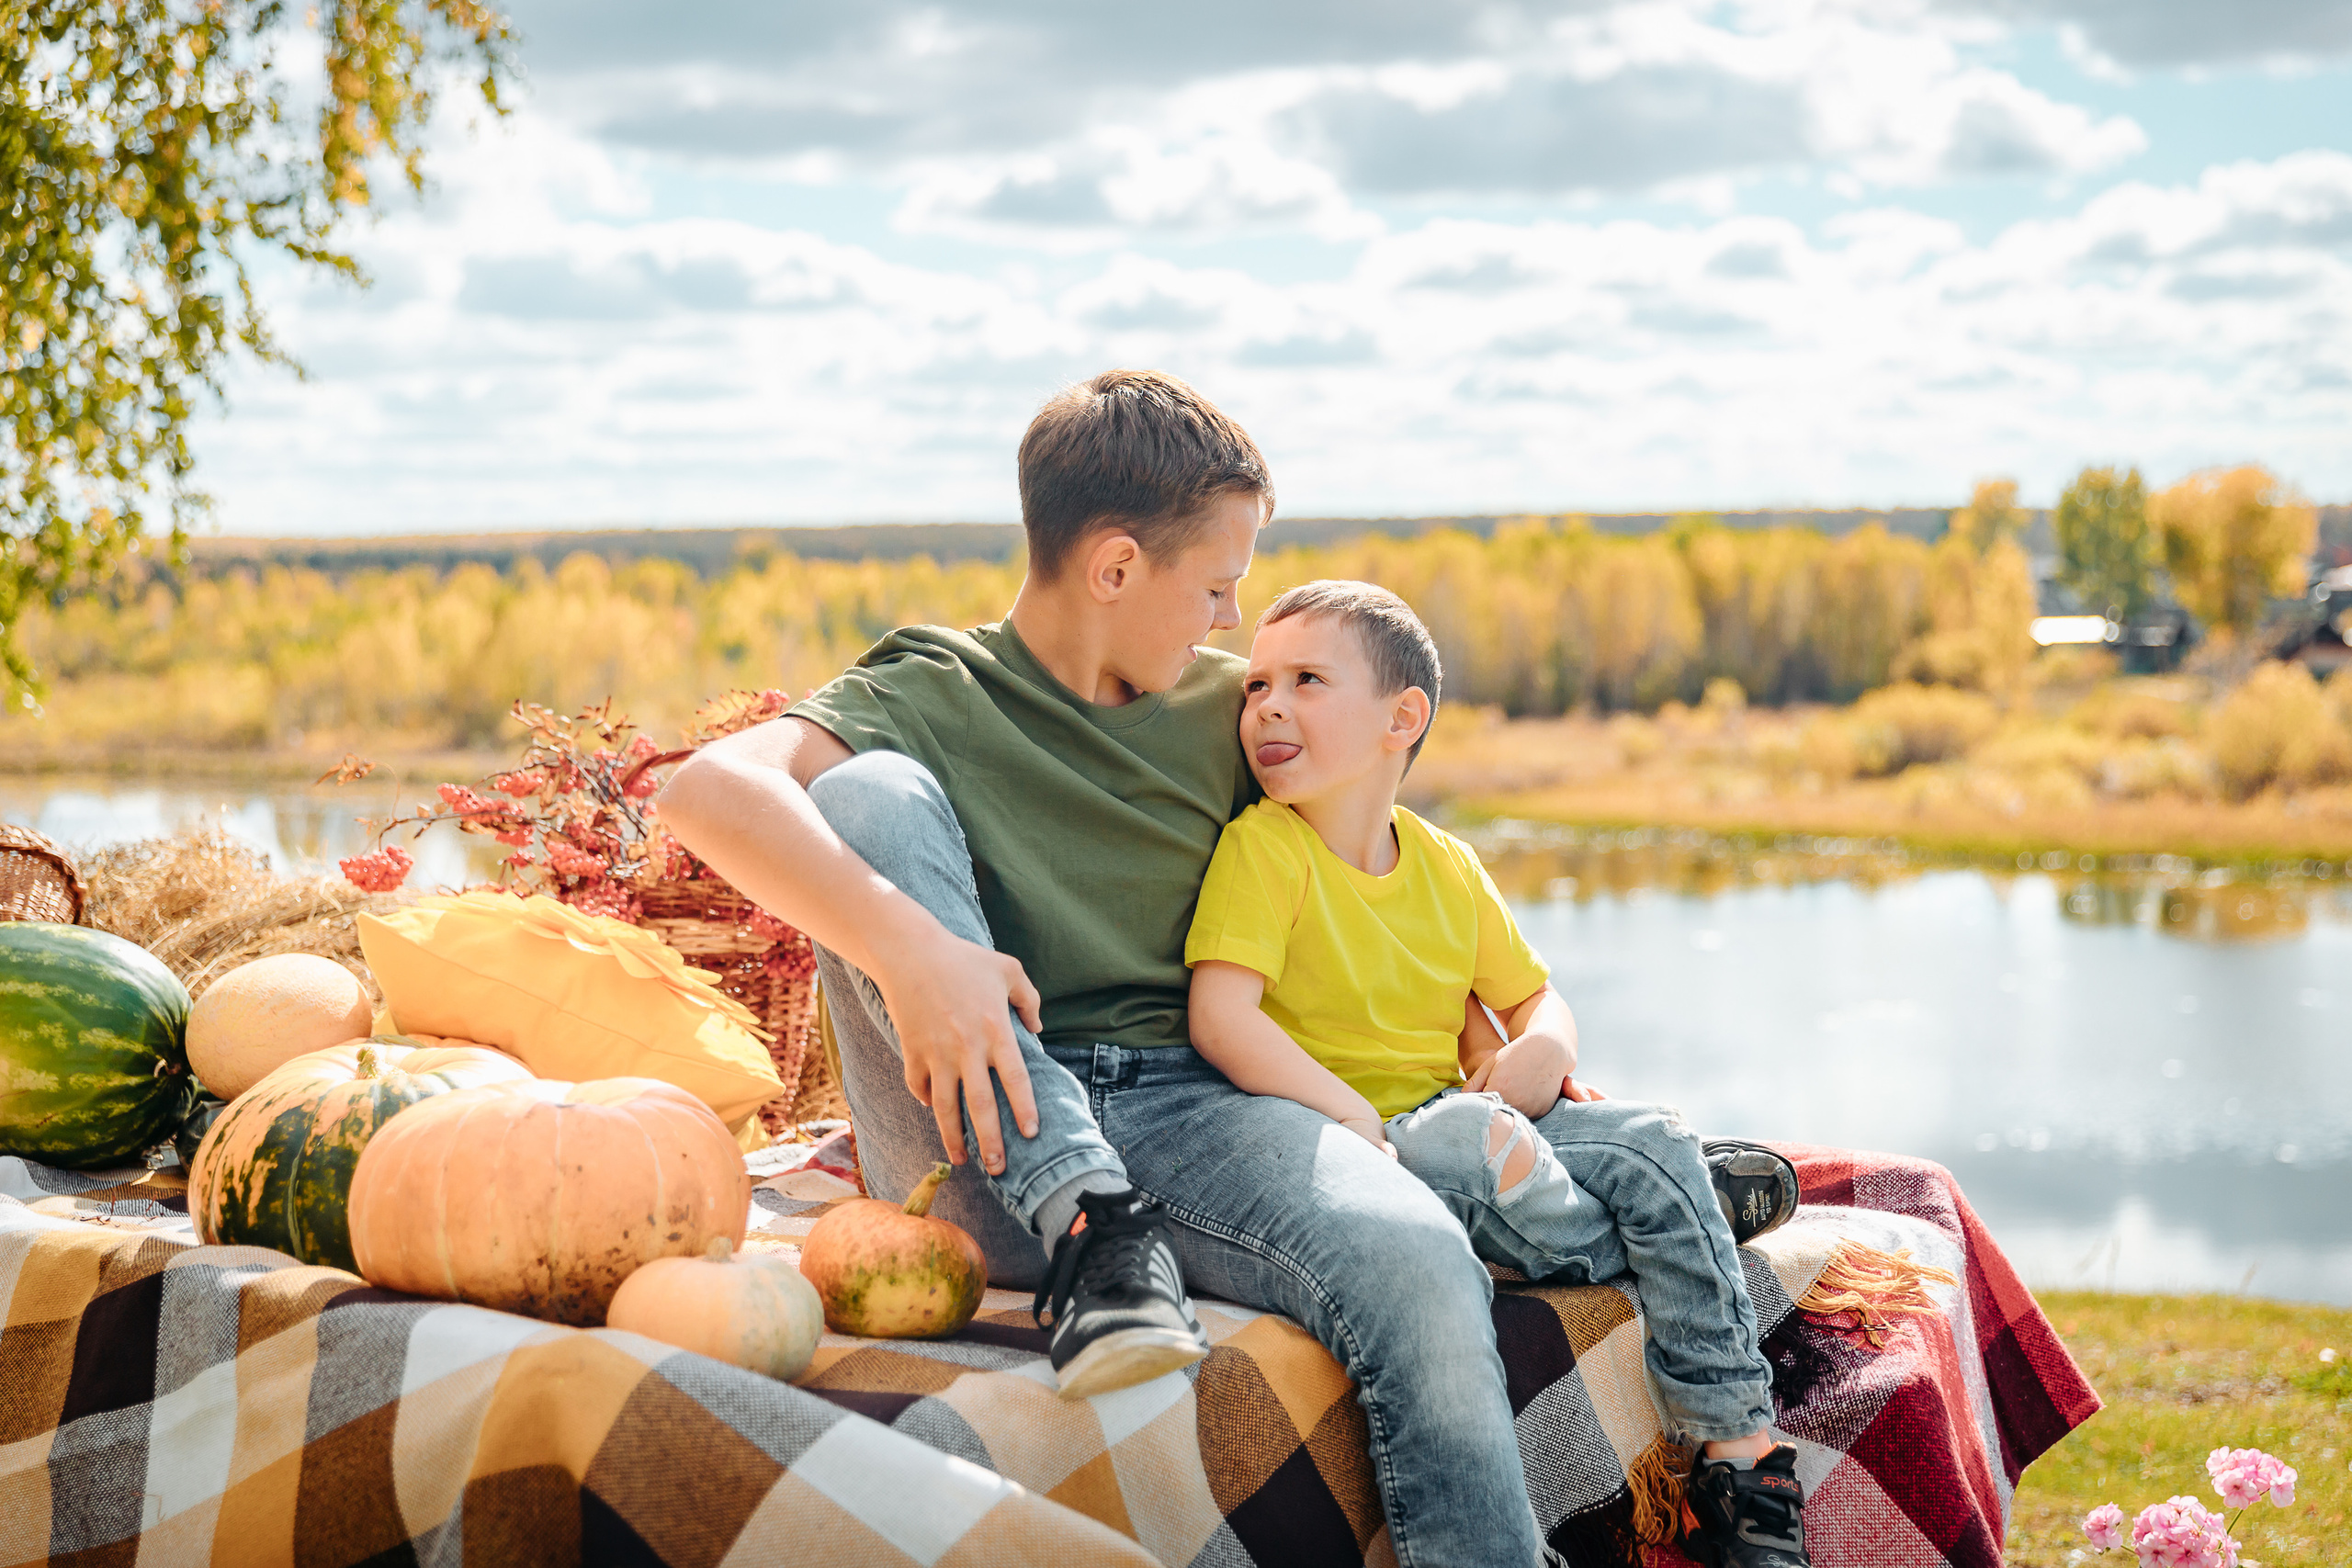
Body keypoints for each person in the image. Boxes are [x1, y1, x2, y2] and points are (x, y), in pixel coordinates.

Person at [661, 369, 1565, 1564]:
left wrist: (1486, 1047)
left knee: (1415, 1250)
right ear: (1118, 568)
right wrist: (914, 945)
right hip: (974, 1137)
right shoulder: (929, 688)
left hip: (1192, 1107)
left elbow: (1347, 884)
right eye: (1216, 584)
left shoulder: (1229, 716)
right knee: (868, 789)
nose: (1231, 620)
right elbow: (701, 789)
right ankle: (1089, 1216)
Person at [1182, 579, 1814, 1568]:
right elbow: (1221, 1018)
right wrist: (1357, 1122)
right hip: (1381, 1147)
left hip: (1483, 1119)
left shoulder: (1446, 863)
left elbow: (1534, 999)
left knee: (1649, 1135)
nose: (1266, 704)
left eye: (1306, 679)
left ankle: (1741, 1454)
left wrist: (1548, 1049)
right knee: (1472, 1143)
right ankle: (1681, 1215)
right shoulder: (1265, 852)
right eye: (1256, 683)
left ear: (1403, 719)